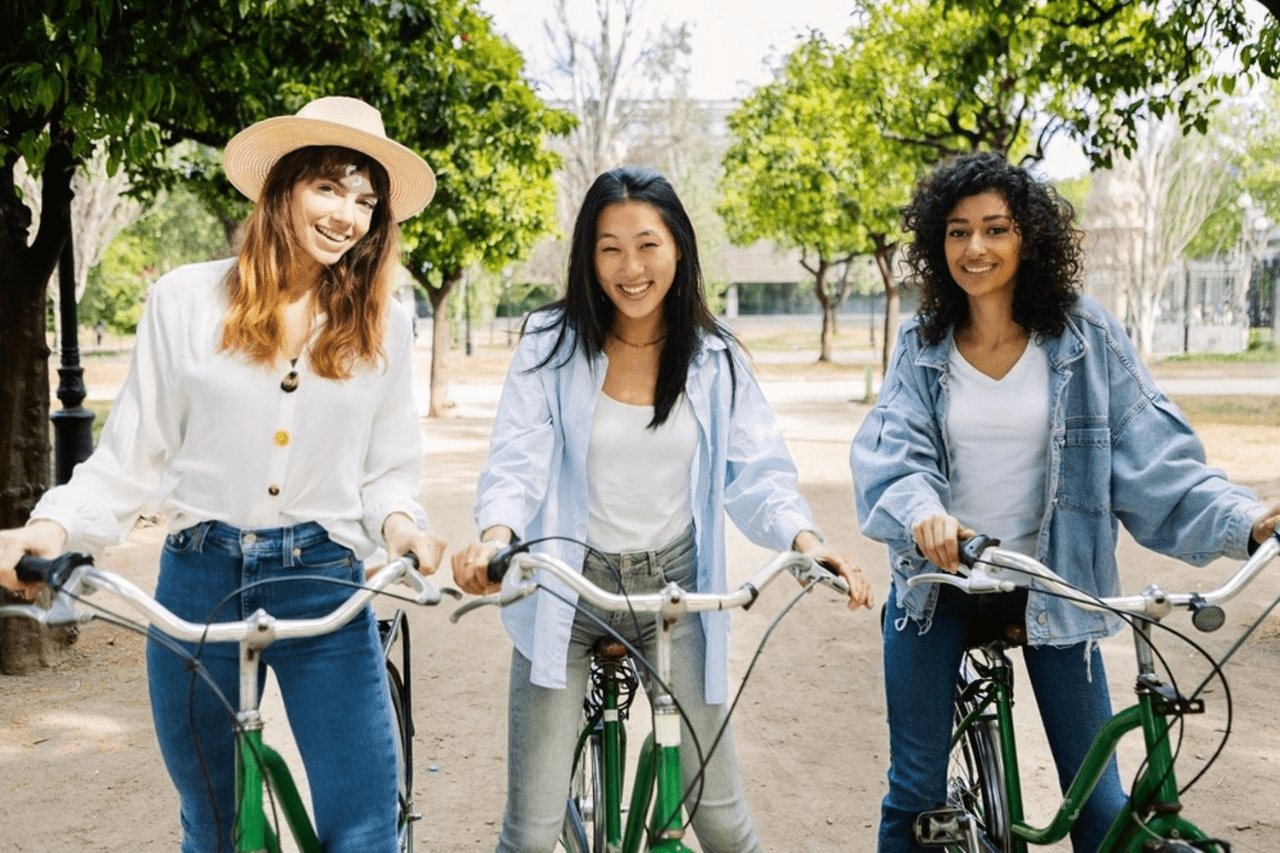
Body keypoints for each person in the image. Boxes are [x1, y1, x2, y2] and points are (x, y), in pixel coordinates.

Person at [0, 95, 447, 853]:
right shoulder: (184, 299)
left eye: (366, 200)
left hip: (325, 584)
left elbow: (387, 472)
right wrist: (46, 529)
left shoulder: (387, 322)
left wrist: (405, 530)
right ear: (282, 187)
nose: (348, 214)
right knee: (211, 824)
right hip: (198, 579)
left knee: (365, 827)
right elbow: (126, 459)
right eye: (329, 187)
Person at [850, 150, 1280, 853]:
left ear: (1029, 238)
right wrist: (921, 509)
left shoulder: (1085, 335)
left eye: (996, 228)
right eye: (957, 232)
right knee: (916, 792)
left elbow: (1154, 457)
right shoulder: (919, 344)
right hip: (939, 585)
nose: (976, 247)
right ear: (937, 244)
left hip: (1053, 580)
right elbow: (894, 454)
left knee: (1102, 807)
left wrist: (1245, 519)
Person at [452, 165, 875, 853]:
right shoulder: (548, 344)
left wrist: (804, 540)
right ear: (588, 257)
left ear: (679, 246)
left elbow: (758, 472)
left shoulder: (715, 358)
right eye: (609, 246)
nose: (631, 266)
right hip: (567, 583)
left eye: (648, 243)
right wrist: (495, 538)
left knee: (722, 821)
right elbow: (516, 461)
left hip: (675, 594)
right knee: (529, 833)